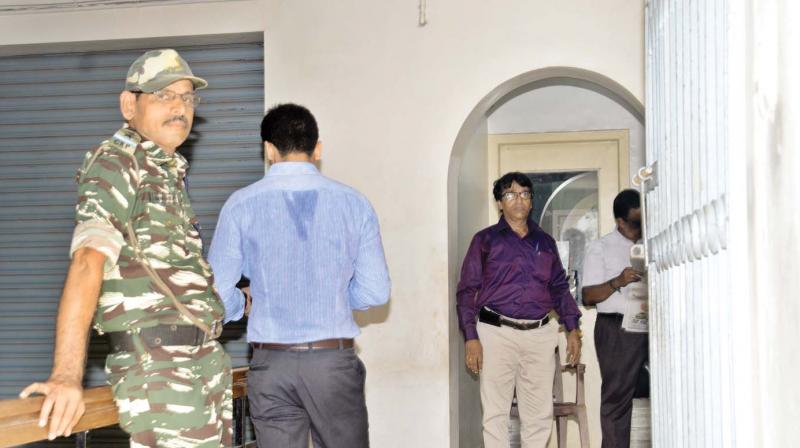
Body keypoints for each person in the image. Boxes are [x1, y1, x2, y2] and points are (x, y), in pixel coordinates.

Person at [19, 49, 232, 446]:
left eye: (187, 98)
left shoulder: (166, 172)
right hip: (161, 373)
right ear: (128, 104)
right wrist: (66, 376)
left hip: (201, 365)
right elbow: (87, 261)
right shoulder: (117, 163)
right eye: (164, 95)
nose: (180, 108)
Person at [208, 103, 391, 448]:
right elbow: (376, 292)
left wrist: (243, 304)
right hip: (332, 364)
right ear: (317, 148)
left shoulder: (240, 204)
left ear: (269, 149)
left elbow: (215, 293)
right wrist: (335, 294)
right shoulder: (354, 203)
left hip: (270, 363)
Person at [456, 172, 582, 448]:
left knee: (539, 416)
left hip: (539, 335)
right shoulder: (485, 240)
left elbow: (559, 288)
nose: (519, 200)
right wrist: (471, 337)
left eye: (525, 194)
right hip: (495, 333)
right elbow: (466, 291)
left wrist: (573, 328)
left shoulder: (545, 242)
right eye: (510, 194)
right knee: (495, 414)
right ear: (499, 202)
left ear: (531, 201)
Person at [581, 188, 647, 448]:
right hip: (617, 330)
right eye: (635, 223)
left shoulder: (654, 242)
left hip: (654, 327)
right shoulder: (602, 248)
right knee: (617, 400)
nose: (642, 227)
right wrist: (617, 281)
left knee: (670, 389)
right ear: (620, 221)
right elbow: (588, 296)